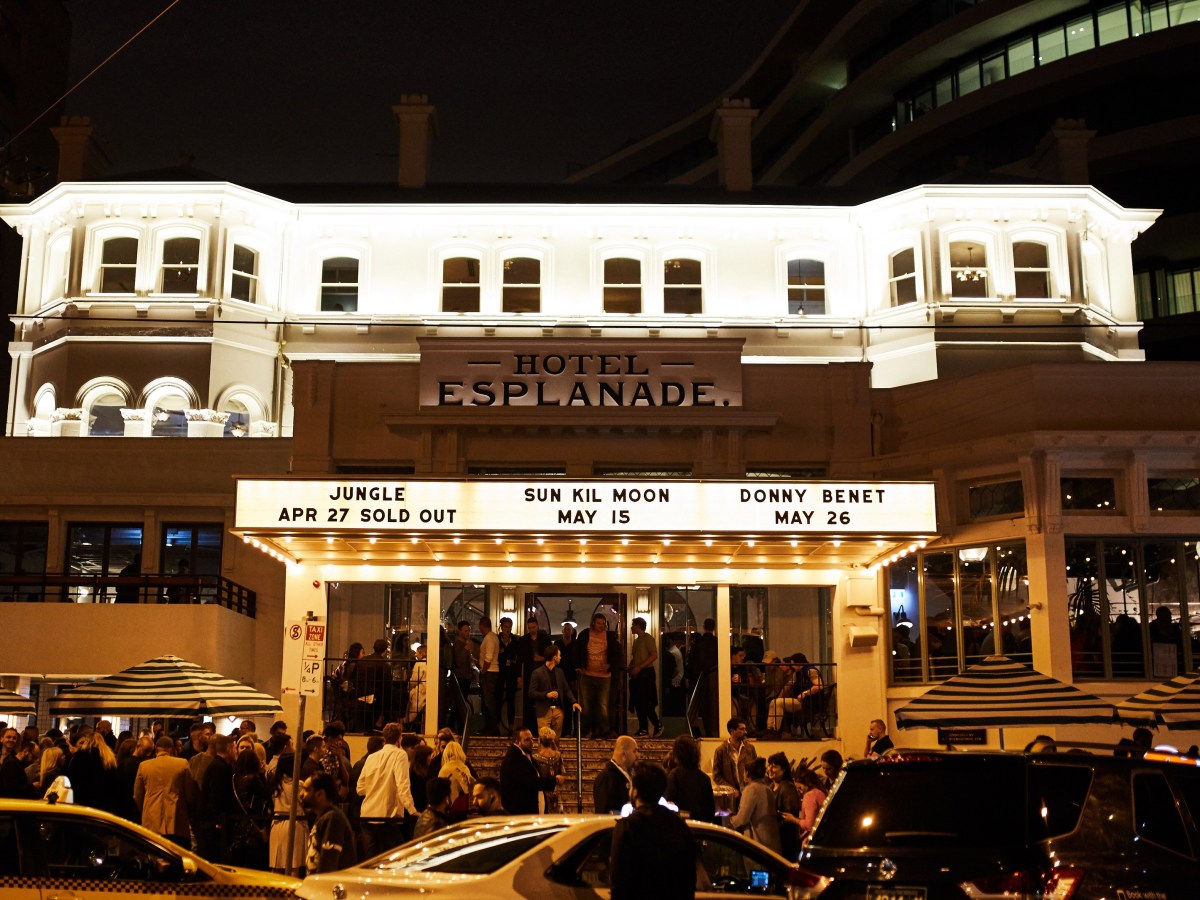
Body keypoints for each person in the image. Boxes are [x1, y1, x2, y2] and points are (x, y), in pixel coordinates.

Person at [609, 762, 697, 900]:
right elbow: (689, 878)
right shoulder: (679, 826)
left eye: (631, 787)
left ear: (636, 791)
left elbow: (619, 881)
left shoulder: (627, 827)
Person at [356, 722, 418, 855]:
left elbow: (360, 788)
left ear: (384, 738)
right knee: (398, 856)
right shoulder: (400, 755)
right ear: (399, 738)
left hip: (367, 815)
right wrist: (412, 810)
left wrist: (375, 789)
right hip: (386, 815)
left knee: (371, 860)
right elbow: (403, 785)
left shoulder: (371, 757)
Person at [134, 736, 196, 847]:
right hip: (176, 818)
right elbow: (190, 793)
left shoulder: (144, 766)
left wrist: (143, 809)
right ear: (172, 749)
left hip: (151, 818)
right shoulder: (182, 764)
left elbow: (137, 795)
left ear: (156, 749)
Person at [574, 613, 624, 739]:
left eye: (603, 624)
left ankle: (605, 730)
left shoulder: (609, 636)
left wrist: (609, 665)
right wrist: (579, 665)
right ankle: (585, 731)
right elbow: (578, 649)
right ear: (593, 623)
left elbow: (617, 653)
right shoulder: (585, 634)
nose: (601, 626)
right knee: (586, 705)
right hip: (587, 675)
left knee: (603, 705)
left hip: (604, 676)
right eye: (598, 623)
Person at [304, 772, 358, 875]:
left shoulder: (333, 819)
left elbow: (328, 862)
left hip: (328, 887)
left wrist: (318, 886)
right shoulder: (322, 817)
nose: (301, 794)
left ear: (320, 794)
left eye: (307, 790)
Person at [230, 747, 272, 869]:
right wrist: (262, 774)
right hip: (253, 824)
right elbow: (266, 793)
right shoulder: (254, 778)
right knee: (254, 863)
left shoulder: (234, 777)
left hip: (239, 824)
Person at [728, 757, 781, 853]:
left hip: (758, 842)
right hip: (772, 842)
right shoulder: (767, 789)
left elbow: (743, 818)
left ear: (747, 773)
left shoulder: (751, 789)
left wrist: (730, 820)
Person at [499, 727, 556, 814]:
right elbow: (530, 781)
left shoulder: (526, 755)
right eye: (527, 740)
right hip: (521, 812)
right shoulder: (514, 758)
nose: (531, 742)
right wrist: (554, 781)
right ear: (517, 742)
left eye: (532, 739)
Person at [528, 645, 581, 738]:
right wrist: (546, 695)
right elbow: (531, 692)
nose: (560, 657)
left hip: (558, 710)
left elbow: (566, 689)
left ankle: (556, 753)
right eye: (559, 655)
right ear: (554, 657)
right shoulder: (538, 672)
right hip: (544, 711)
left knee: (556, 740)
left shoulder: (559, 672)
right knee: (544, 739)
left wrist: (574, 702)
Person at [765, 653, 823, 736]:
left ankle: (775, 730)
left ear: (798, 663)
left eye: (793, 664)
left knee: (778, 703)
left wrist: (805, 693)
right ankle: (770, 728)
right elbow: (789, 685)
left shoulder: (810, 671)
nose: (792, 666)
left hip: (809, 702)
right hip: (801, 700)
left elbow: (819, 686)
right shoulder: (797, 672)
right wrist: (779, 697)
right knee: (774, 702)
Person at [268, 752, 306, 875]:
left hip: (277, 823)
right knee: (293, 865)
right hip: (295, 823)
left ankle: (274, 892)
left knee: (276, 864)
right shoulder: (298, 784)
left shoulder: (275, 783)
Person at [664, 734, 715, 823]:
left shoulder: (674, 774)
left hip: (680, 825)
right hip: (700, 826)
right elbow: (710, 810)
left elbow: (669, 802)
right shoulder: (704, 778)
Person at [514, 617, 553, 729]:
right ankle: (529, 725)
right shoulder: (523, 640)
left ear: (537, 626)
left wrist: (542, 658)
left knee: (542, 698)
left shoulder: (544, 639)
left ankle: (542, 724)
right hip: (529, 673)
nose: (532, 630)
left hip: (542, 673)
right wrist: (519, 676)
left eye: (533, 627)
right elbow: (519, 659)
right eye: (530, 628)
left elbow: (551, 655)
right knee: (529, 699)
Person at [711, 718, 757, 809]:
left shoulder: (750, 749)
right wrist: (731, 790)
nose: (745, 732)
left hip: (748, 793)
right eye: (742, 729)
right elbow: (716, 776)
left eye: (745, 729)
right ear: (732, 731)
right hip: (730, 797)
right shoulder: (721, 750)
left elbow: (756, 770)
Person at [629, 616, 663, 737]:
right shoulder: (636, 641)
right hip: (638, 674)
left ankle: (657, 724)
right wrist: (631, 667)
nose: (631, 627)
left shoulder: (648, 639)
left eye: (633, 625)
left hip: (646, 674)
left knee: (646, 701)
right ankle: (643, 728)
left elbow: (654, 655)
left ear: (638, 626)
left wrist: (640, 667)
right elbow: (635, 657)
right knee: (638, 702)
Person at [686, 618, 719, 736]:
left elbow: (691, 661)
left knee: (700, 705)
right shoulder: (717, 642)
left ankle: (700, 730)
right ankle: (713, 731)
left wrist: (688, 677)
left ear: (704, 627)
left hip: (698, 678)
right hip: (714, 677)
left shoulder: (698, 642)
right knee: (713, 705)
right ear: (714, 628)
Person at [594, 735, 639, 814]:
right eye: (634, 751)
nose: (638, 755)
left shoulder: (626, 775)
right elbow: (606, 811)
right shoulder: (607, 778)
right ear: (624, 754)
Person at [767, 752, 800, 861]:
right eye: (769, 765)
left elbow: (789, 818)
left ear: (784, 769)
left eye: (774, 766)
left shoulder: (786, 787)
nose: (770, 769)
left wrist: (773, 829)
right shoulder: (771, 786)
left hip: (785, 842)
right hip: (774, 839)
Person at [436, 740, 474, 819]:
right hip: (462, 805)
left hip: (447, 806)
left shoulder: (444, 769)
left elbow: (439, 789)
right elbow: (470, 786)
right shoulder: (464, 767)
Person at [477, 616, 501, 735]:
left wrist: (483, 670)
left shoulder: (490, 638)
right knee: (488, 700)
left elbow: (489, 657)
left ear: (482, 625)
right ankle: (489, 726)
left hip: (490, 672)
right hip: (490, 671)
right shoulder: (492, 637)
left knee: (488, 701)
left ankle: (492, 727)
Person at [496, 617, 520, 731]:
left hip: (511, 673)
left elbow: (518, 658)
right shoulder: (497, 640)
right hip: (500, 672)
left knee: (511, 699)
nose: (508, 629)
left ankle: (511, 726)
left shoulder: (515, 640)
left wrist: (518, 675)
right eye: (506, 626)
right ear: (501, 627)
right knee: (498, 698)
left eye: (509, 627)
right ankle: (497, 724)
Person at [534, 727, 565, 812]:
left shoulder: (535, 758)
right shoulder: (558, 755)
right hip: (556, 795)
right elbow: (562, 777)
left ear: (539, 740)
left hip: (542, 796)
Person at [793, 764, 827, 839]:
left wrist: (793, 819)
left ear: (808, 783)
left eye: (800, 788)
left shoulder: (810, 796)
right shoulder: (820, 792)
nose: (800, 792)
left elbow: (809, 824)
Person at [0, 727, 34, 798]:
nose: (11, 740)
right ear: (1, 739)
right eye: (8, 737)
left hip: (7, 799)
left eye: (14, 738)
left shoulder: (16, 760)